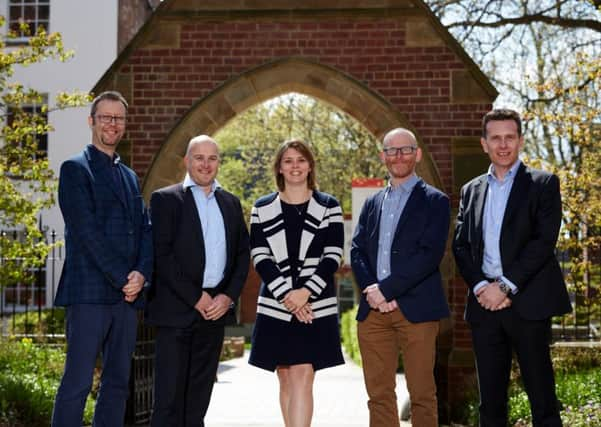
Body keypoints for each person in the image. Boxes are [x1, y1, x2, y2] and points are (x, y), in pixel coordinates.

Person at [452, 108, 571, 427]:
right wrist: (481, 287)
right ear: (484, 143)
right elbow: (460, 246)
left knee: (542, 398)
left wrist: (504, 286)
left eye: (509, 137)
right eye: (495, 138)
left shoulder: (543, 184)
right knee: (490, 403)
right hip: (484, 307)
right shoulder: (471, 190)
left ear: (520, 141)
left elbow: (543, 242)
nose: (502, 145)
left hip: (528, 303)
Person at [51, 91, 153, 427]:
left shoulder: (129, 177)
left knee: (117, 385)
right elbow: (87, 233)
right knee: (77, 383)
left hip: (126, 301)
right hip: (89, 295)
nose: (113, 124)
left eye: (119, 118)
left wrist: (141, 273)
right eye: (106, 117)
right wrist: (125, 278)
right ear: (91, 121)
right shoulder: (75, 170)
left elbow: (144, 230)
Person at [146, 135, 249, 426]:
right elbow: (162, 256)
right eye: (199, 158)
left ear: (219, 162)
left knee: (198, 402)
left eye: (212, 158)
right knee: (168, 401)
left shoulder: (230, 202)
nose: (206, 164)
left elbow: (243, 254)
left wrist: (227, 297)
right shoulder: (166, 199)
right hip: (176, 311)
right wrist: (196, 297)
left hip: (214, 313)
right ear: (187, 161)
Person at [351, 128, 450, 427]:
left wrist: (388, 290)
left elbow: (429, 255)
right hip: (374, 313)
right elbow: (357, 249)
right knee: (378, 394)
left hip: (417, 310)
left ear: (417, 154)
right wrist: (373, 289)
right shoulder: (372, 202)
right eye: (391, 151)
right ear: (383, 156)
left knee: (422, 393)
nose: (398, 156)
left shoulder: (435, 201)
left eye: (405, 149)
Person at [248, 139, 345, 427]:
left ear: (310, 165)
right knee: (286, 376)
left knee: (304, 373)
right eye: (288, 160)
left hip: (315, 305)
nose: (295, 166)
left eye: (301, 160)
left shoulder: (329, 205)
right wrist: (289, 296)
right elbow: (260, 255)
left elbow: (334, 254)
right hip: (276, 305)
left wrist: (304, 293)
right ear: (279, 167)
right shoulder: (262, 207)